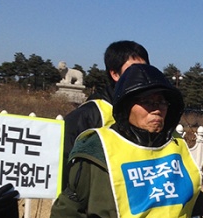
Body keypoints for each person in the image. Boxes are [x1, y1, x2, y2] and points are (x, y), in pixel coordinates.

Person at [50, 64, 203, 218]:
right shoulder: (97, 149)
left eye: (162, 102)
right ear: (126, 105)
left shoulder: (178, 147)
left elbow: (195, 215)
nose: (157, 109)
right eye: (147, 102)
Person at [61, 41, 149, 183]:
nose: (140, 75)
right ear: (114, 74)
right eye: (133, 69)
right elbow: (65, 164)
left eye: (144, 69)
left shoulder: (150, 111)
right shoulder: (89, 114)